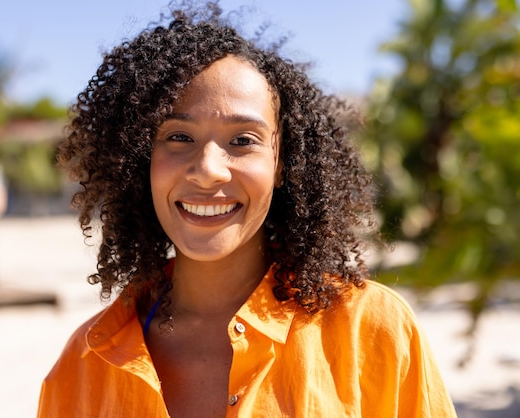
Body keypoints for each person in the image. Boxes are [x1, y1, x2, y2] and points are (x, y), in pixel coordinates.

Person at [37, 2, 457, 417]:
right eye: (179, 136)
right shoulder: (84, 364)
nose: (207, 171)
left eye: (243, 140)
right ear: (139, 159)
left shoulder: (374, 332)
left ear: (281, 162)